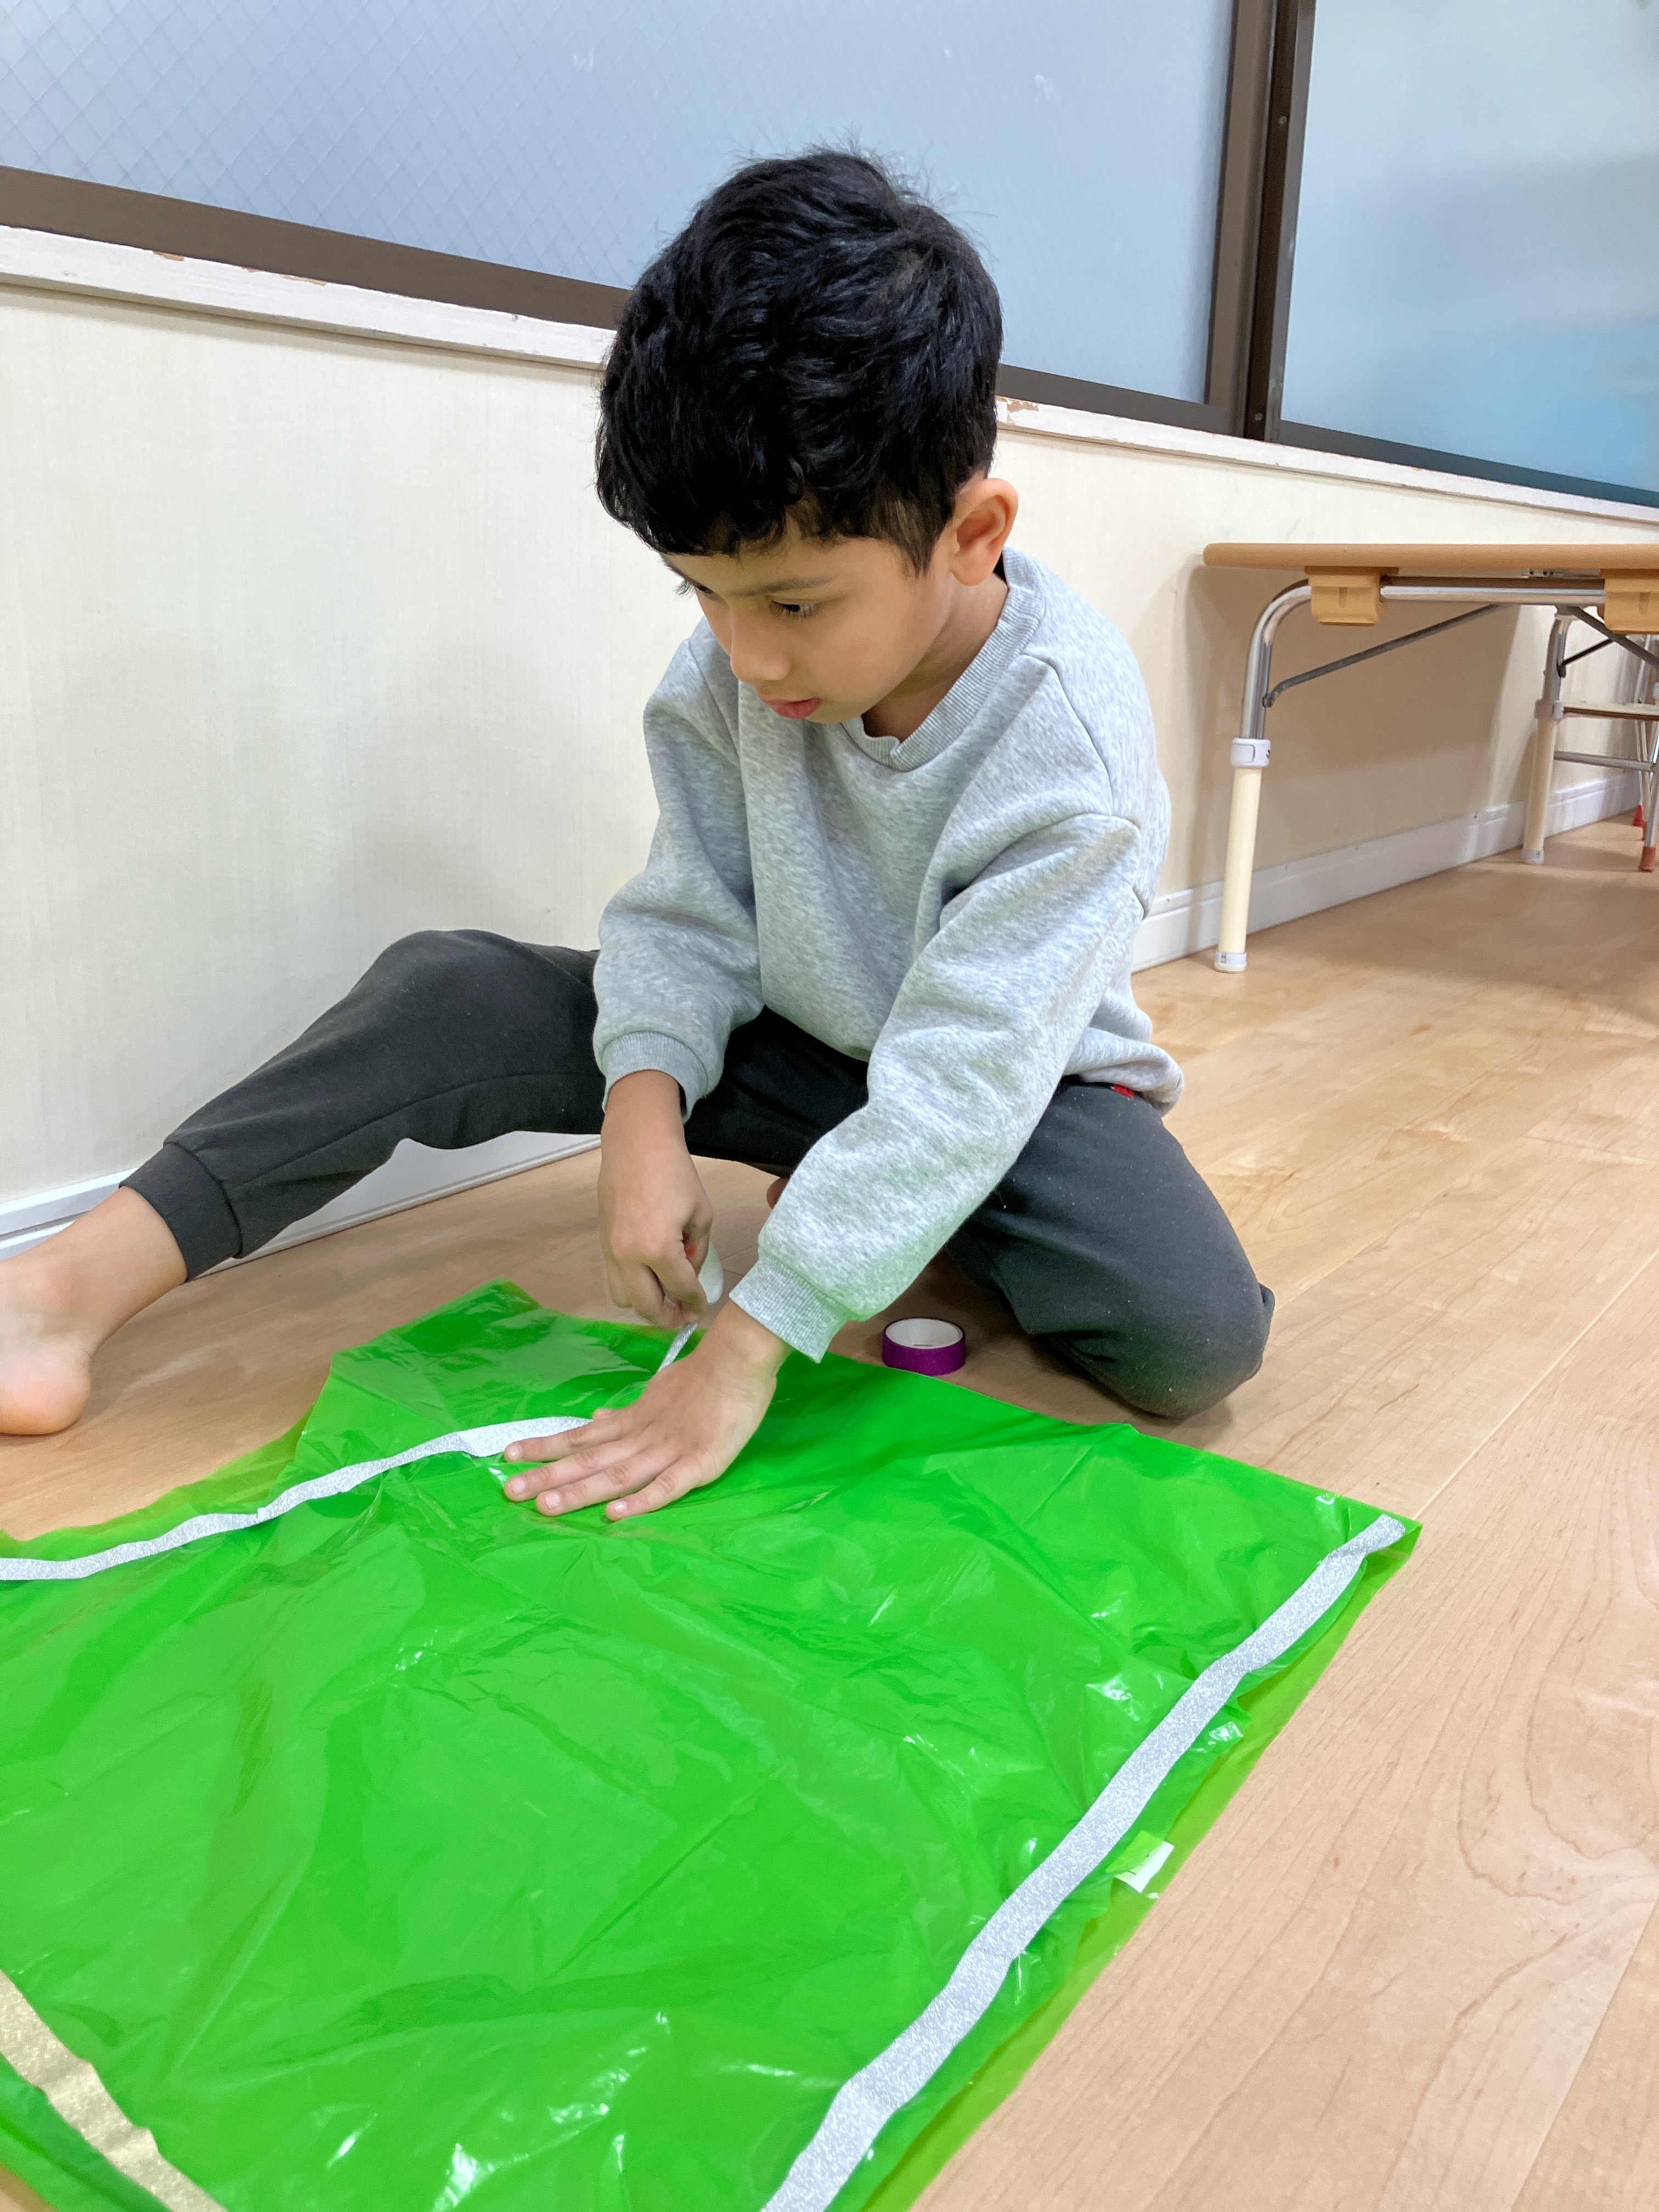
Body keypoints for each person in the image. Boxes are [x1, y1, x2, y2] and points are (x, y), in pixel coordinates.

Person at [0, 151, 1271, 1508]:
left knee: (1195, 1336)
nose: (747, 653)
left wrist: (749, 1344)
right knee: (448, 991)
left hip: (1015, 1093)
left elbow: (968, 1078)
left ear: (972, 533)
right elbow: (689, 912)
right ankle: (59, 1291)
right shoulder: (732, 669)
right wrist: (642, 1107)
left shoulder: (1067, 747)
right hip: (802, 1052)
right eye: (699, 592)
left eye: (794, 603)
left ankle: (906, 1217)